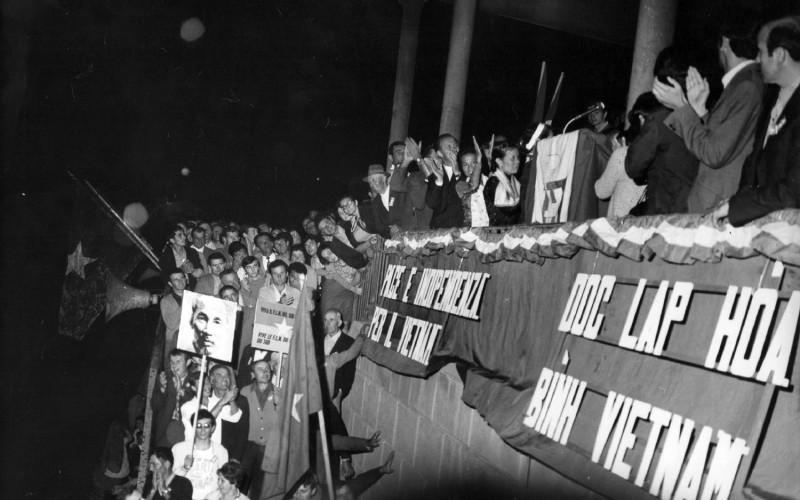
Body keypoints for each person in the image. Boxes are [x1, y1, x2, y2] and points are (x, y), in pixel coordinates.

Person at [654, 16, 765, 212]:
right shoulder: (743, 82)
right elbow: (719, 142)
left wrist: (682, 107)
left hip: (716, 205)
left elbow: (714, 154)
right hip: (713, 202)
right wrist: (700, 110)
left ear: (724, 42)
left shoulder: (746, 86)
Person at [713, 16, 800, 226]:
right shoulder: (771, 95)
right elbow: (755, 161)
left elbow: (794, 191)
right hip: (762, 226)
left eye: (761, 52)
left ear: (779, 55)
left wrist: (739, 208)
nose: (757, 59)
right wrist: (739, 205)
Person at [240, 359, 281, 498]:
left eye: (267, 369)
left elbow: (288, 421)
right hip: (249, 445)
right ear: (252, 374)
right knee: (241, 482)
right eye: (260, 369)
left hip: (269, 447)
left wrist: (280, 404)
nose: (265, 372)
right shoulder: (244, 392)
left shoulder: (279, 392)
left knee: (261, 486)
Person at [594, 111, 647, 217]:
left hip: (622, 224)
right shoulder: (658, 151)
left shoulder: (621, 154)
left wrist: (615, 156)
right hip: (646, 222)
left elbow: (601, 191)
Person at [172, 409, 229, 500]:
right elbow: (172, 480)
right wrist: (184, 468)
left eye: (207, 426)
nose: (203, 430)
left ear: (213, 428)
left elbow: (224, 482)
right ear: (193, 427)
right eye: (199, 426)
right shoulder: (179, 449)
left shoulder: (221, 452)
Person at [152, 350, 197, 447]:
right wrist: (162, 389)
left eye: (178, 362)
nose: (174, 365)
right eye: (171, 362)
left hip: (185, 430)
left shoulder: (195, 380)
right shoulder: (164, 378)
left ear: (188, 362)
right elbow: (154, 406)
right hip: (164, 429)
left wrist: (181, 390)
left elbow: (195, 408)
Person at [425, 134, 465, 228]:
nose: (453, 149)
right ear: (440, 153)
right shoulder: (435, 174)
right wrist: (439, 181)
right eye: (449, 147)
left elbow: (466, 198)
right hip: (439, 230)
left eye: (455, 146)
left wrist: (457, 174)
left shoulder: (466, 170)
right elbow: (431, 203)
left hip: (462, 229)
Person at [361, 164, 407, 239]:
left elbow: (410, 213)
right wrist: (391, 232)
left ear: (384, 178)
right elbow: (380, 228)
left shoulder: (398, 191)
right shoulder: (375, 203)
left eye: (374, 179)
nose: (372, 184)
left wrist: (400, 227)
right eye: (370, 182)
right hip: (394, 240)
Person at [322, 309, 356, 407]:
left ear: (339, 322)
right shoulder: (318, 338)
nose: (327, 323)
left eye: (331, 320)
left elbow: (349, 371)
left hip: (334, 392)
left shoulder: (349, 343)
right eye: (325, 320)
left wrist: (341, 391)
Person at [484, 142, 522, 226]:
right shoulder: (494, 182)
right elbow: (507, 213)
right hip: (497, 233)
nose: (518, 161)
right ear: (499, 161)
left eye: (518, 157)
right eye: (512, 158)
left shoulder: (514, 180)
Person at [161, 268, 187, 370]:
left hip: (190, 340)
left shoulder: (194, 296)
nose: (180, 281)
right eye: (176, 279)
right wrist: (185, 302)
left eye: (182, 278)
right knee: (171, 371)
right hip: (173, 341)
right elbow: (170, 323)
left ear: (186, 279)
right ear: (170, 283)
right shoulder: (166, 301)